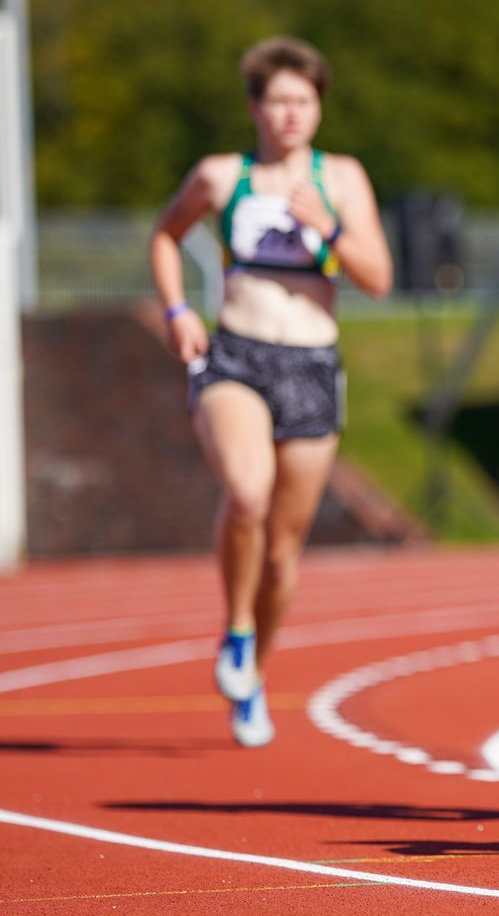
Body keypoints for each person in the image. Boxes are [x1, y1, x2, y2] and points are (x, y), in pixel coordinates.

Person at [149, 37, 393, 747]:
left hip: (313, 364)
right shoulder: (222, 177)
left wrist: (330, 226)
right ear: (255, 106)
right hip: (237, 355)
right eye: (278, 100)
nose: (291, 114)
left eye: (304, 101)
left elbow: (378, 277)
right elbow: (165, 236)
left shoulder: (342, 178)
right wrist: (176, 311)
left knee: (284, 552)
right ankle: (236, 627)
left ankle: (253, 672)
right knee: (247, 493)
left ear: (319, 108)